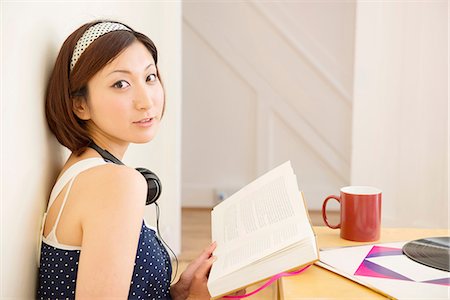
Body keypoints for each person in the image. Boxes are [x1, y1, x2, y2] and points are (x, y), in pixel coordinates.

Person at [38, 20, 243, 300]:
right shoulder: (115, 184)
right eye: (121, 84)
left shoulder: (86, 169)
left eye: (150, 77)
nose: (145, 100)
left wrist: (180, 291)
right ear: (80, 105)